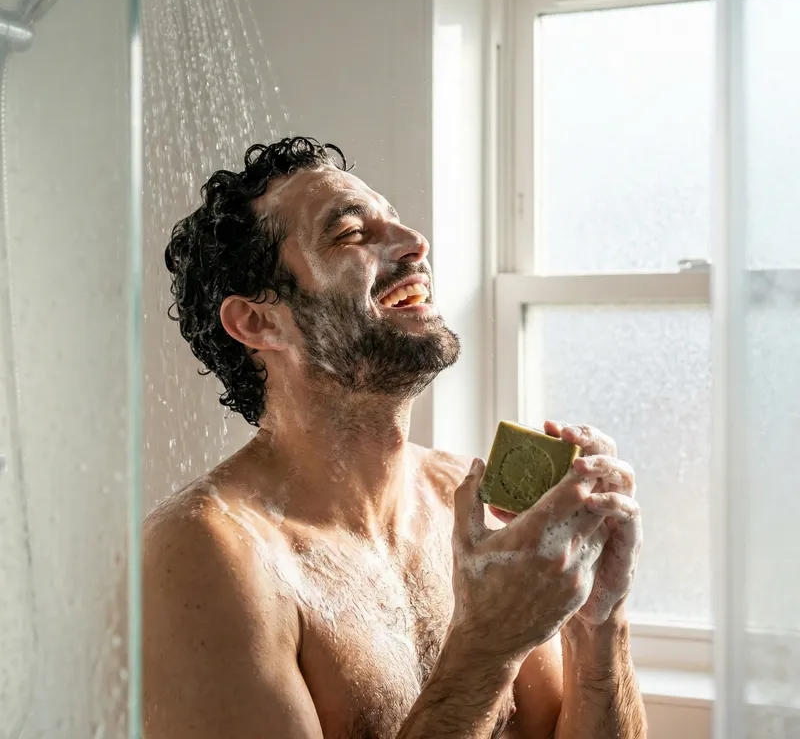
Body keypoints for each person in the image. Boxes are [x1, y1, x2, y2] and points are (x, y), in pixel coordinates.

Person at [144, 136, 646, 738]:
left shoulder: (470, 500)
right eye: (351, 233)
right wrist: (487, 646)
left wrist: (600, 620)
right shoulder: (205, 555)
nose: (415, 242)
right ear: (259, 321)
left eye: (397, 220)